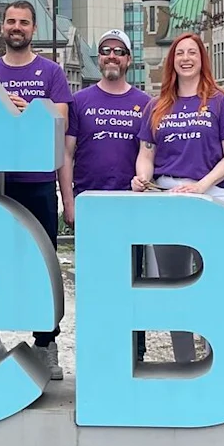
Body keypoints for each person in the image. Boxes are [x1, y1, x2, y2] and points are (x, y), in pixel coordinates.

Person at [134, 31, 224, 365]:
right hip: (169, 197)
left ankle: (219, 358)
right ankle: (184, 361)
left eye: (192, 53)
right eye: (180, 53)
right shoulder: (157, 106)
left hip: (214, 195)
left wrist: (201, 185)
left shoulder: (221, 101)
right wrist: (143, 177)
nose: (186, 58)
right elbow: (146, 153)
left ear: (202, 59)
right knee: (175, 283)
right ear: (172, 61)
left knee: (220, 282)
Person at [0, 0, 73, 379]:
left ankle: (46, 344)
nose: (17, 27)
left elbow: (60, 122)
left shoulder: (51, 72)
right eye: (11, 21)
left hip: (37, 183)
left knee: (43, 263)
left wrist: (26, 108)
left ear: (34, 29)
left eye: (24, 22)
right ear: (2, 27)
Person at [62, 30, 155, 363]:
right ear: (99, 58)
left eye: (119, 51)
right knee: (94, 286)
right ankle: (98, 355)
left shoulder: (145, 104)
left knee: (132, 283)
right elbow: (66, 155)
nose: (111, 56)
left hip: (131, 208)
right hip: (91, 208)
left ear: (128, 60)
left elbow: (149, 154)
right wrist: (69, 203)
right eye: (105, 51)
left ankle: (135, 354)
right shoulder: (80, 102)